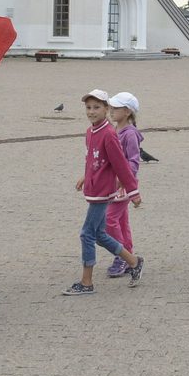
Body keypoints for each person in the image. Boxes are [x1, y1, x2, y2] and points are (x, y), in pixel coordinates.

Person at [62, 88, 145, 296]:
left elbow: (122, 165)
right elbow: (91, 159)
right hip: (94, 189)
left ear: (106, 109)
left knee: (86, 234)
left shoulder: (109, 134)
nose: (92, 111)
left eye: (97, 107)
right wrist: (85, 175)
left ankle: (86, 282)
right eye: (88, 107)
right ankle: (134, 262)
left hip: (103, 192)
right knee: (99, 235)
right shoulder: (90, 132)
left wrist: (133, 191)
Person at [103, 92, 143, 279]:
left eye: (116, 108)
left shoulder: (130, 135)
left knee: (109, 219)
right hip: (112, 184)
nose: (111, 111)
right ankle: (128, 254)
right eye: (111, 108)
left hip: (122, 186)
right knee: (121, 220)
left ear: (127, 112)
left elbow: (134, 162)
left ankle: (121, 254)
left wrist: (125, 181)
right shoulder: (114, 131)